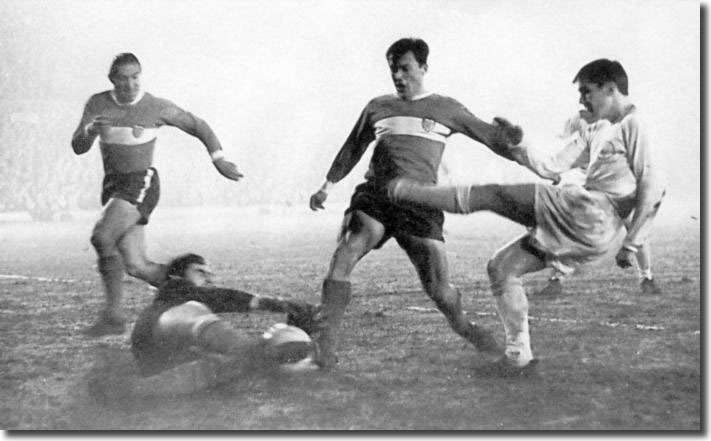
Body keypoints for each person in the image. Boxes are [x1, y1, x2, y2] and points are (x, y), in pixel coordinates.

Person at [388, 59, 665, 377]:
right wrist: (519, 143)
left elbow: (653, 185)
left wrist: (634, 241)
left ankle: (407, 191)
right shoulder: (597, 126)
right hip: (588, 225)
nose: (581, 101)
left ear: (611, 88)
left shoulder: (636, 124)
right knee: (501, 267)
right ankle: (518, 357)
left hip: (591, 214)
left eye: (587, 92)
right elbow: (550, 166)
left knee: (494, 195)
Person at [307, 38, 524, 369]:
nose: (398, 75)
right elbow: (352, 148)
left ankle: (472, 332)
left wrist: (517, 142)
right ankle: (326, 346)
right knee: (345, 253)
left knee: (440, 292)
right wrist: (327, 186)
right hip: (377, 196)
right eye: (393, 68)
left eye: (405, 67)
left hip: (420, 204)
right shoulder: (377, 107)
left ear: (423, 68)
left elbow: (490, 137)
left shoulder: (445, 108)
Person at [71, 53, 243, 336]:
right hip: (114, 186)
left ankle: (113, 315)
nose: (129, 84)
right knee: (137, 266)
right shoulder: (97, 103)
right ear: (112, 79)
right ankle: (197, 289)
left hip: (141, 182)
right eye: (123, 78)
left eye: (135, 76)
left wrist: (219, 159)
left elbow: (197, 125)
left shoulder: (155, 107)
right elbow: (78, 146)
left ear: (141, 76)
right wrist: (91, 131)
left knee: (102, 236)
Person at [120, 253, 320, 397]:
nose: (208, 278)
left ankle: (130, 390)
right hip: (165, 320)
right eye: (200, 272)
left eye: (210, 275)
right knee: (196, 313)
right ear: (176, 276)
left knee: (228, 366)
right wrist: (277, 304)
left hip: (155, 356)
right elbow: (219, 296)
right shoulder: (177, 289)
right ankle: (253, 349)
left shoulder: (186, 297)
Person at [534, 112, 664, 297]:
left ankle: (647, 278)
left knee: (635, 228)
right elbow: (564, 148)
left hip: (616, 188)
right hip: (589, 183)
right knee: (573, 228)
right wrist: (558, 174)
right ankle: (557, 279)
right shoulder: (579, 120)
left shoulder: (621, 124)